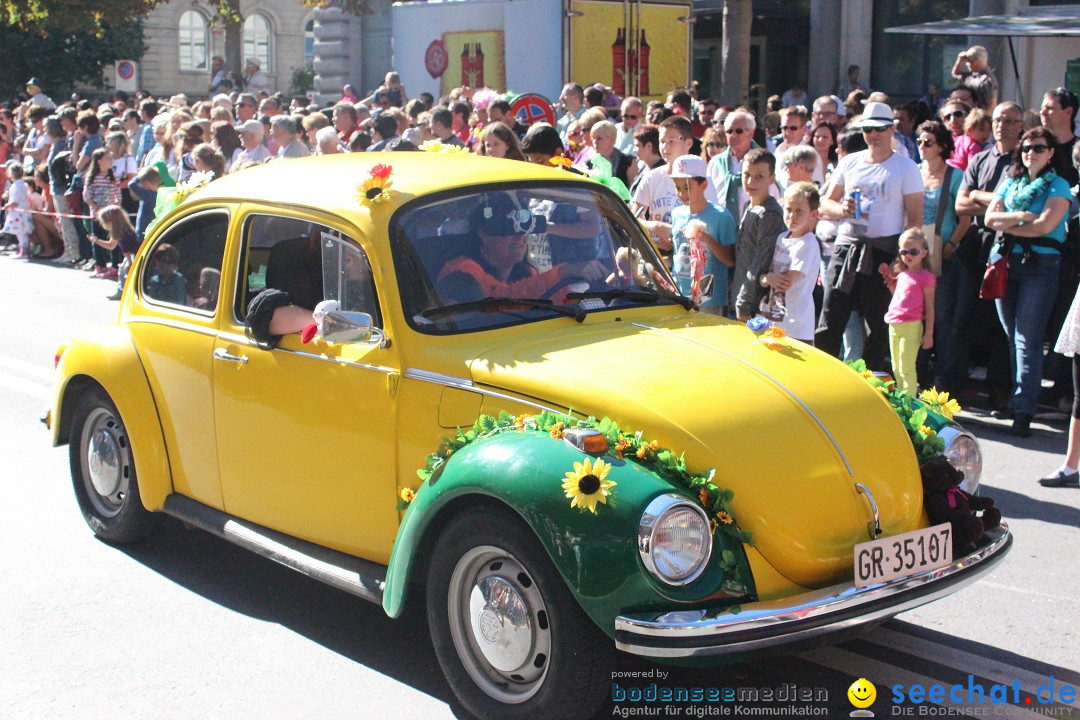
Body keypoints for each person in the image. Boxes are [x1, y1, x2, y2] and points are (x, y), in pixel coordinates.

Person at [815, 102, 924, 370]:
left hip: (885, 251)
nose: (874, 134)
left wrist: (904, 260)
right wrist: (842, 209)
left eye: (879, 128)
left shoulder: (907, 167)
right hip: (847, 246)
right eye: (868, 129)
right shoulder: (850, 162)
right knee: (830, 318)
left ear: (892, 129)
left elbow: (915, 220)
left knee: (878, 323)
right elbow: (825, 205)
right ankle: (823, 381)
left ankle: (874, 386)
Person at [985, 126, 1072, 436]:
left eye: (1038, 147)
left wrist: (1011, 222)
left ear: (1050, 153)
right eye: (1026, 148)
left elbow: (1047, 224)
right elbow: (989, 219)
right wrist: (1024, 218)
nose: (1030, 153)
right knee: (1013, 336)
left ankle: (1024, 408)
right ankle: (1018, 400)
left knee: (1027, 338)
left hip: (1041, 266)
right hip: (1007, 263)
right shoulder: (1011, 181)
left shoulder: (1058, 185)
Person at [948, 102, 1024, 403]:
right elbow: (960, 205)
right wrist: (993, 200)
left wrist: (979, 196)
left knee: (1000, 324)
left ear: (1020, 125)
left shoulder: (1022, 161)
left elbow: (1016, 204)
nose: (1001, 125)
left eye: (1009, 120)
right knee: (962, 318)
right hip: (975, 245)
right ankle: (952, 383)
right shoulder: (979, 159)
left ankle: (1000, 390)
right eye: (997, 120)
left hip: (1006, 246)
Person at [434, 193, 607, 304]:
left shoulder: (527, 273)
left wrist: (613, 283)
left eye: (525, 229)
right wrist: (562, 272)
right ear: (484, 233)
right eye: (510, 229)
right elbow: (502, 303)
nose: (520, 237)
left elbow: (549, 306)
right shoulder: (460, 272)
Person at [632, 116, 719, 253]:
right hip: (656, 255)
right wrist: (655, 226)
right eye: (662, 142)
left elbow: (711, 223)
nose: (665, 147)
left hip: (689, 254)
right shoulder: (651, 177)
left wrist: (677, 240)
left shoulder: (701, 179)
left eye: (671, 141)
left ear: (688, 143)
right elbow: (634, 218)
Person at [668, 155, 736, 315]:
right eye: (678, 188)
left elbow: (730, 260)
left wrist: (707, 239)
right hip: (680, 293)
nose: (682, 193)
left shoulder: (721, 216)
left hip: (709, 297)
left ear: (704, 185)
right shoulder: (676, 214)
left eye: (687, 187)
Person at [759, 182, 822, 343]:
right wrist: (766, 278)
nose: (792, 216)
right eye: (788, 210)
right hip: (774, 319)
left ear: (813, 214)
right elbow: (766, 278)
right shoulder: (782, 237)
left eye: (799, 211)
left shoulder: (808, 243)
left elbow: (785, 282)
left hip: (796, 325)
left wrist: (767, 278)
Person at [733, 148, 786, 321]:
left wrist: (744, 302)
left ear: (771, 179)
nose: (750, 181)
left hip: (754, 303)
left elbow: (759, 262)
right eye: (746, 174)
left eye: (759, 177)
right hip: (740, 292)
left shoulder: (769, 214)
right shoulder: (750, 205)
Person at [881, 228, 936, 395]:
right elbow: (899, 298)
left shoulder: (926, 277)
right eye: (904, 252)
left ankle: (909, 402)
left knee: (907, 368)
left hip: (912, 325)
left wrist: (929, 333)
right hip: (894, 323)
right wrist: (891, 283)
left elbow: (930, 307)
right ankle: (902, 399)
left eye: (913, 251)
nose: (908, 256)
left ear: (924, 253)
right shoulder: (903, 274)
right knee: (896, 367)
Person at [82, 148, 122, 279]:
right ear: (99, 161)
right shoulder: (91, 177)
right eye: (107, 158)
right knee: (97, 239)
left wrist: (116, 205)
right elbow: (87, 195)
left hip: (111, 214)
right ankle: (99, 265)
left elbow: (117, 193)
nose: (110, 161)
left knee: (113, 240)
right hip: (97, 214)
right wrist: (95, 207)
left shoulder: (113, 177)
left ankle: (115, 266)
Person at [90, 205, 140, 300]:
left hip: (133, 255)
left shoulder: (121, 233)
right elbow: (111, 245)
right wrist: (97, 241)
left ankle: (123, 292)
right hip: (133, 254)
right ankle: (123, 291)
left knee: (124, 271)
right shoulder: (123, 228)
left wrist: (129, 263)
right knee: (123, 270)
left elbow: (127, 250)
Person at [1, 162, 33, 259]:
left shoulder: (15, 186)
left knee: (20, 233)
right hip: (24, 210)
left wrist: (6, 206)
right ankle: (23, 249)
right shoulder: (24, 184)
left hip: (18, 213)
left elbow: (15, 201)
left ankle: (23, 251)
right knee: (23, 232)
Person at [951, 46, 998, 110]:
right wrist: (960, 59)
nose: (967, 64)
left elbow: (991, 106)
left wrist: (982, 119)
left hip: (979, 116)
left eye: (968, 61)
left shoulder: (987, 80)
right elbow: (956, 74)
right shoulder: (972, 76)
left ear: (976, 60)